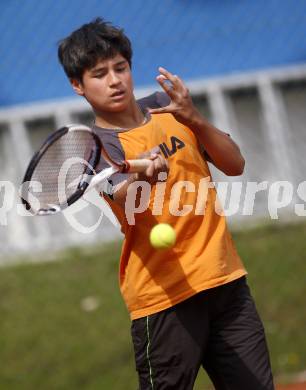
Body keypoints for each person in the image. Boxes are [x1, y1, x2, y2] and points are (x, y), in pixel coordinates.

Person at [58, 18, 274, 390]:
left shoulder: (166, 107)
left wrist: (194, 118)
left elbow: (235, 165)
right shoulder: (93, 146)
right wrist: (141, 175)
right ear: (78, 85)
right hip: (164, 302)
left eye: (120, 68)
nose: (115, 80)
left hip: (226, 283)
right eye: (99, 74)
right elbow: (123, 198)